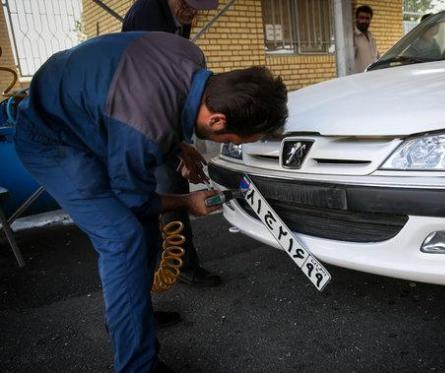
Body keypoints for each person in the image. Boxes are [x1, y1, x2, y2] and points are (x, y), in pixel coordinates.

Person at [14, 32, 288, 372]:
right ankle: (136, 366)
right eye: (233, 139)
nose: (229, 142)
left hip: (91, 114)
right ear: (217, 121)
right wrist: (188, 203)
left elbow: (154, 97)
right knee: (122, 236)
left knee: (143, 229)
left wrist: (178, 145)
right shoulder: (141, 129)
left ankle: (130, 316)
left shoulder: (191, 56)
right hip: (53, 138)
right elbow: (136, 196)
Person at [122, 0, 222, 288]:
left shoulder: (178, 14)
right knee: (153, 198)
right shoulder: (147, 15)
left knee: (171, 186)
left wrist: (181, 140)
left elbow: (175, 80)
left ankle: (179, 266)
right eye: (189, 4)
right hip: (139, 122)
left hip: (160, 120)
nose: (194, 12)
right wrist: (176, 143)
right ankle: (168, 269)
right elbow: (150, 87)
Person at [352, 5, 378, 74]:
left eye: (367, 18)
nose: (364, 21)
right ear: (356, 18)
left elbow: (376, 57)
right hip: (358, 79)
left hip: (373, 76)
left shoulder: (371, 36)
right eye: (362, 18)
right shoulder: (351, 37)